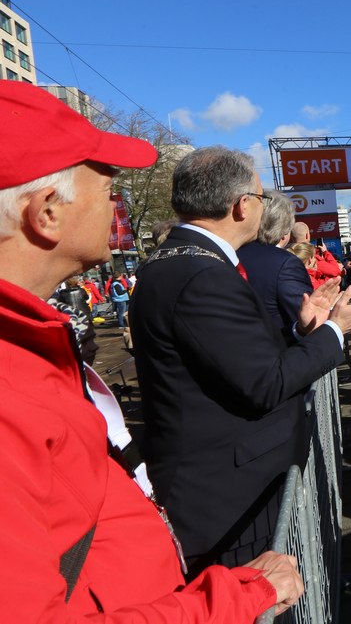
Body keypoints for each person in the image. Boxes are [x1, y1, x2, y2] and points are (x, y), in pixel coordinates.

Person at [0, 81, 305, 620]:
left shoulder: (29, 347)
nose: (116, 207)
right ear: (46, 212)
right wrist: (239, 596)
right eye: (107, 191)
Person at [131, 146, 351, 572]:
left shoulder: (176, 262)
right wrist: (336, 329)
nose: (264, 209)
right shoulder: (204, 275)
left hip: (218, 488)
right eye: (262, 198)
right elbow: (264, 384)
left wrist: (302, 332)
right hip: (230, 501)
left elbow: (233, 363)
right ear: (242, 205)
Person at [237, 189, 314, 342]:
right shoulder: (285, 263)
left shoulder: (230, 253)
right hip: (280, 350)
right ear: (285, 228)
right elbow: (307, 322)